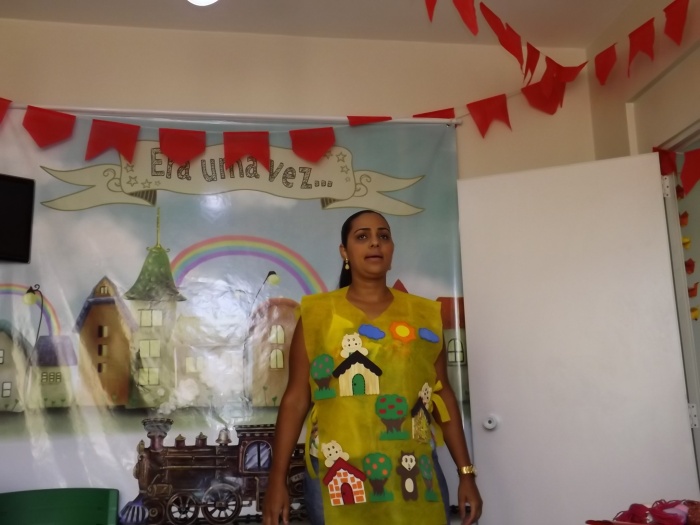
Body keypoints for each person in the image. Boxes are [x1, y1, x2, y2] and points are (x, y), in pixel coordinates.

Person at [262, 210, 482, 525]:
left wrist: (466, 473)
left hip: (413, 470)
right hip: (336, 472)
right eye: (362, 236)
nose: (375, 243)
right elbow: (296, 399)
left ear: (391, 249)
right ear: (344, 252)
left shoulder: (424, 316)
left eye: (383, 236)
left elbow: (442, 396)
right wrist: (277, 479)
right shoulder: (317, 315)